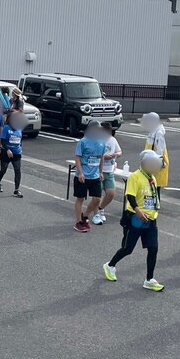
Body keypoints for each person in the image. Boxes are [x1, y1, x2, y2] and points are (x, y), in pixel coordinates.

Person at [102, 150, 165, 292]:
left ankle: (149, 279)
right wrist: (138, 211)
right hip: (135, 218)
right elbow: (130, 196)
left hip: (150, 220)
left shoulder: (152, 178)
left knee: (153, 248)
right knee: (128, 248)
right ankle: (110, 265)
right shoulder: (135, 177)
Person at [73, 121, 107, 232]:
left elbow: (101, 157)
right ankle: (78, 222)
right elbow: (77, 158)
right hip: (83, 176)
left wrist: (101, 172)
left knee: (97, 199)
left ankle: (85, 215)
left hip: (95, 176)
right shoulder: (83, 142)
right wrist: (80, 173)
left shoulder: (102, 143)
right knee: (80, 199)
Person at [92, 123, 123, 225]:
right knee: (97, 195)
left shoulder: (113, 140)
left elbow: (119, 151)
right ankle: (96, 214)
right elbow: (94, 155)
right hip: (98, 170)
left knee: (111, 193)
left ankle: (101, 208)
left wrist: (115, 155)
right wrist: (104, 157)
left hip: (109, 170)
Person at [0, 111, 26, 198]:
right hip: (6, 152)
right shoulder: (6, 128)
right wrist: (8, 150)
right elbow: (3, 141)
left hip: (16, 152)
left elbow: (20, 139)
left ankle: (16, 189)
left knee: (17, 170)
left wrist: (20, 148)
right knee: (3, 170)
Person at [142, 112, 169, 200]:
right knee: (152, 185)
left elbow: (159, 149)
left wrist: (159, 162)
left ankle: (155, 205)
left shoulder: (158, 132)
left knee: (155, 186)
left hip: (155, 162)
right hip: (152, 160)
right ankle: (153, 204)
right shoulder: (154, 131)